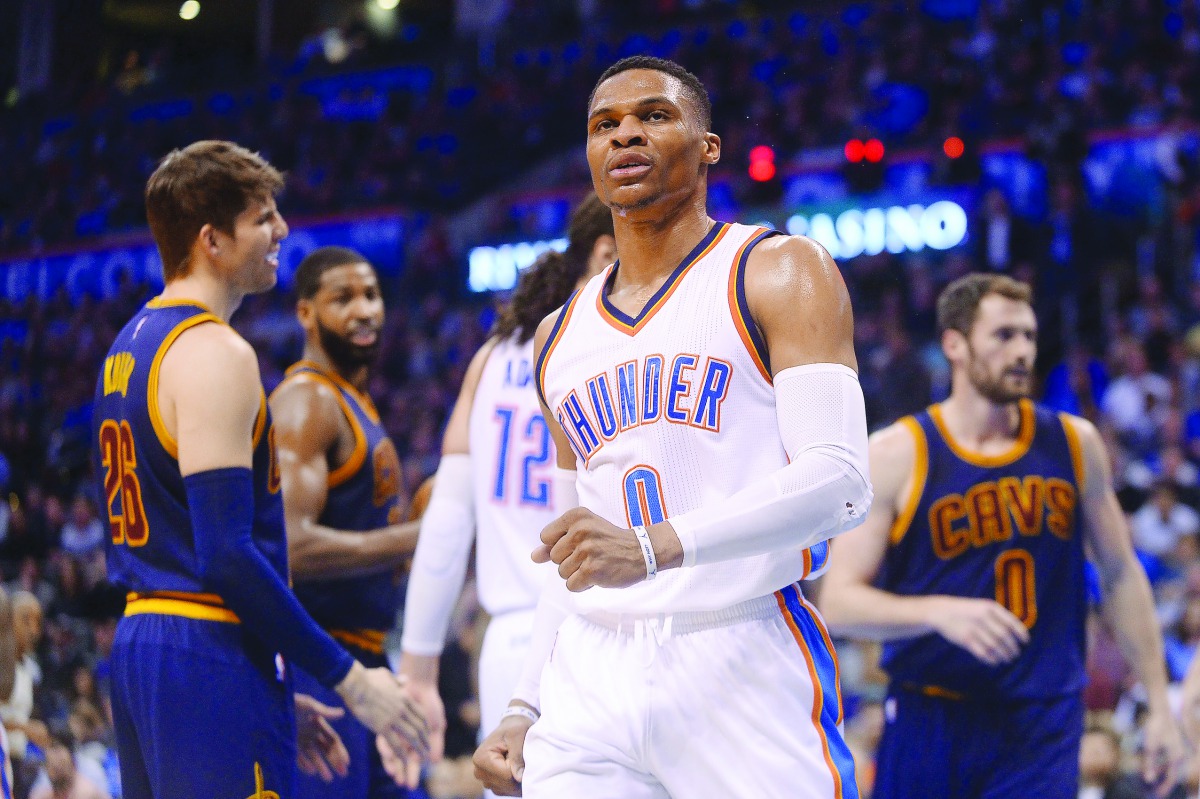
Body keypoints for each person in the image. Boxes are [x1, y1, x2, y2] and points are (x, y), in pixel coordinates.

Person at [473, 56, 872, 798]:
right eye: (605, 125)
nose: (625, 135)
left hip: (737, 648)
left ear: (709, 146)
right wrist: (524, 704)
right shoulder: (556, 337)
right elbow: (575, 545)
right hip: (591, 673)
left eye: (653, 116)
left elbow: (842, 482)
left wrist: (654, 547)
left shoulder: (777, 270)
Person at [91, 140, 428, 799]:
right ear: (212, 239)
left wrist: (274, 690)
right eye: (264, 218)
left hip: (148, 646)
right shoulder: (215, 350)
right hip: (202, 644)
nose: (282, 230)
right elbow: (224, 554)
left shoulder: (128, 343)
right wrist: (348, 679)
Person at [817, 274, 1183, 798]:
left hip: (1042, 720)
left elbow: (1121, 572)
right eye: (1004, 336)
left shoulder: (1075, 444)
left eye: (1029, 337)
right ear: (955, 345)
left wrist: (1159, 702)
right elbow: (839, 602)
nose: (1022, 352)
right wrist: (937, 612)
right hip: (932, 712)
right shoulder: (901, 452)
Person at [397, 194, 615, 792]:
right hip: (609, 632)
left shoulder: (492, 357)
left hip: (511, 646)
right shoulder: (625, 347)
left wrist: (417, 665)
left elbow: (447, 521)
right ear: (605, 253)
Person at [269, 245, 423, 798]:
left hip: (365, 655)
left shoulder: (353, 400)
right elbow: (292, 544)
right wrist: (419, 536)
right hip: (320, 660)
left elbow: (364, 546)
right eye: (344, 298)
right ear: (306, 313)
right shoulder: (306, 401)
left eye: (372, 295)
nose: (364, 310)